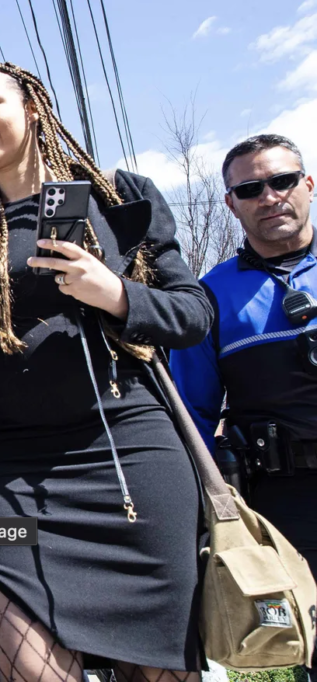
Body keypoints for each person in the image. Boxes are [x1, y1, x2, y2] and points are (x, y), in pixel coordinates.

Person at [0, 63, 213, 682]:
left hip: (129, 459)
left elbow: (193, 316)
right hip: (12, 472)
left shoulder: (118, 198)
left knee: (161, 673)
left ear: (32, 105)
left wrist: (115, 294)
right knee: (29, 668)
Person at [170, 134, 317, 676]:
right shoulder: (208, 297)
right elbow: (193, 417)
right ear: (230, 203)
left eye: (282, 181)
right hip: (287, 510)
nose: (270, 196)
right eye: (251, 188)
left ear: (308, 184)